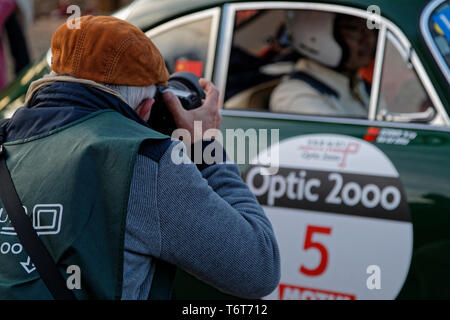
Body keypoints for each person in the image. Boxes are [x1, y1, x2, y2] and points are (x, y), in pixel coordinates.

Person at [0, 16, 280, 300]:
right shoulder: (146, 163)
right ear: (146, 107)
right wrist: (204, 145)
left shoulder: (5, 141)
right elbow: (259, 267)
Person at [269, 11, 378, 117]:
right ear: (316, 34)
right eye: (353, 28)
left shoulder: (358, 85)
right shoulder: (296, 95)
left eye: (370, 29)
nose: (369, 39)